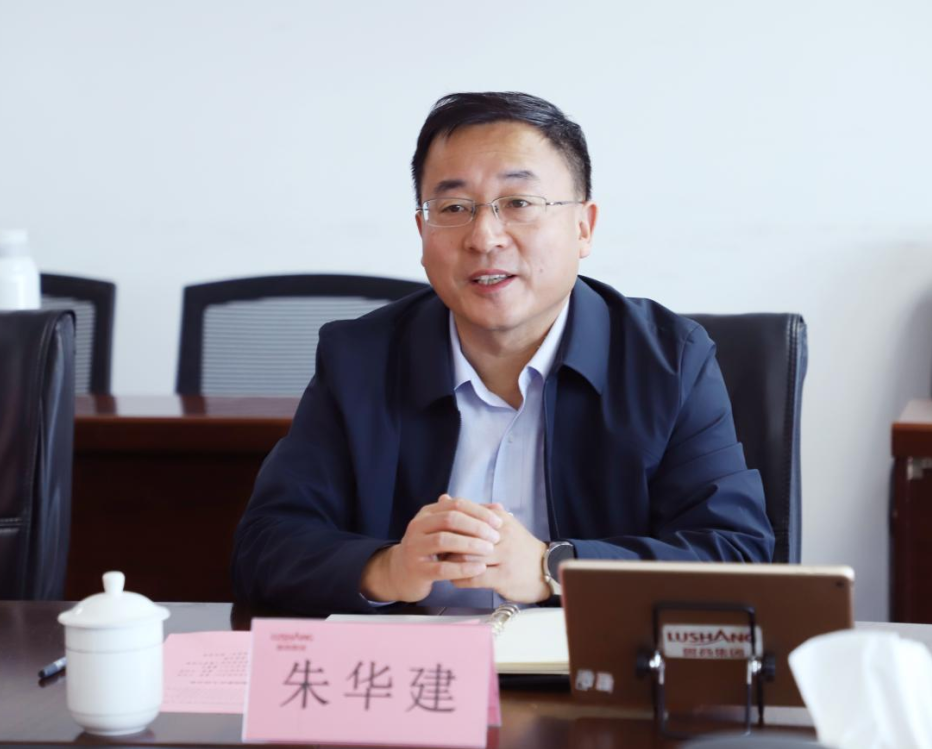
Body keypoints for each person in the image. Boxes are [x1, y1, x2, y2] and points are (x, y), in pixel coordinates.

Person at [232, 92, 773, 614]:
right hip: (415, 668)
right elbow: (265, 545)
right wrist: (387, 568)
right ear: (422, 231)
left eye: (518, 203)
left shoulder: (668, 362)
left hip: (585, 669)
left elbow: (735, 556)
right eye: (454, 207)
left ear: (583, 228)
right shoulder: (360, 360)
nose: (485, 236)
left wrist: (553, 568)